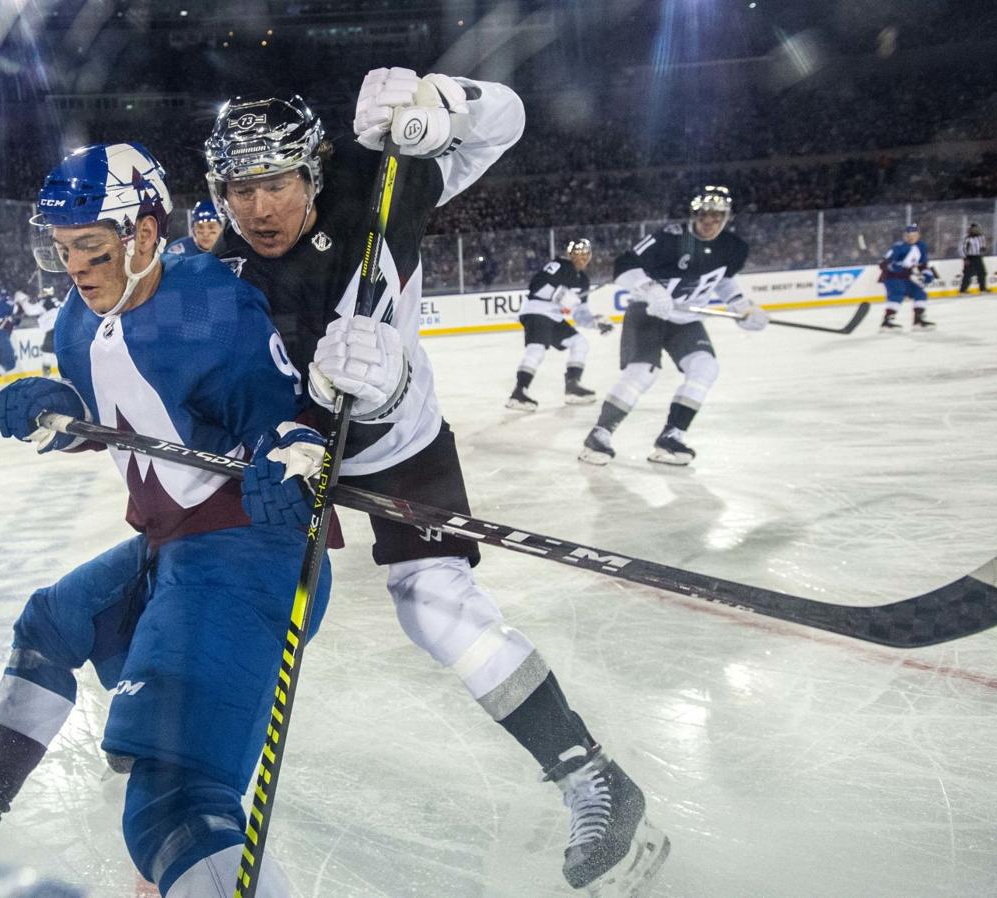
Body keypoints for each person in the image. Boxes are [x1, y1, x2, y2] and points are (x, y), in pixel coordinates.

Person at [205, 76, 668, 895]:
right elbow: (215, 394)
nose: (258, 209)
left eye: (275, 182)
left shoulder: (380, 176)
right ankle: (176, 759)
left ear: (315, 169)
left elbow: (508, 123)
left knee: (434, 603)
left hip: (404, 439)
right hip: (292, 456)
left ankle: (593, 776)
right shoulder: (219, 280)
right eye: (239, 190)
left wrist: (443, 101)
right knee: (222, 595)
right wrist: (284, 443)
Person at [0, 142, 332, 898]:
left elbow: (288, 420)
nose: (76, 267)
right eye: (64, 249)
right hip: (176, 547)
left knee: (173, 806)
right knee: (52, 623)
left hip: (253, 551)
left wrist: (293, 452)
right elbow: (129, 423)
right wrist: (61, 411)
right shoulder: (77, 321)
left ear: (145, 234)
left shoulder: (213, 302)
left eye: (93, 248)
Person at [579, 186, 766, 467]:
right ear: (694, 214)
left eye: (717, 217)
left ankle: (671, 436)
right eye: (704, 215)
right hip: (649, 310)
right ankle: (600, 435)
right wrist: (651, 289)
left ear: (727, 218)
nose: (710, 223)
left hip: (686, 319)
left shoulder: (733, 247)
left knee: (705, 367)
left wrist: (741, 305)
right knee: (643, 373)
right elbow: (625, 265)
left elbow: (723, 279)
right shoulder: (671, 238)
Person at [506, 238, 613, 412]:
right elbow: (536, 285)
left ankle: (572, 387)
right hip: (537, 311)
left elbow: (580, 314)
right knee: (537, 349)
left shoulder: (583, 280)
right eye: (578, 254)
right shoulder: (558, 266)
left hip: (554, 317)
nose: (582, 258)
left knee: (580, 343)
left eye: (586, 254)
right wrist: (560, 295)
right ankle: (518, 393)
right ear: (570, 255)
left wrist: (596, 323)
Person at [878, 224, 936, 332]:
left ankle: (918, 321)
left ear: (918, 235)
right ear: (904, 236)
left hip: (905, 278)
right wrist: (893, 266)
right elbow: (883, 264)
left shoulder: (921, 247)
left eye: (914, 235)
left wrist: (927, 273)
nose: (911, 237)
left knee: (920, 293)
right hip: (891, 277)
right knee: (897, 294)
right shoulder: (898, 247)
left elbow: (922, 264)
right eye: (909, 235)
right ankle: (886, 323)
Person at [17, 284, 62, 375]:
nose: (40, 293)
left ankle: (46, 377)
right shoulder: (56, 300)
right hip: (63, 329)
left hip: (53, 330)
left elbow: (30, 311)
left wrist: (23, 300)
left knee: (47, 352)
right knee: (61, 354)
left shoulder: (45, 301)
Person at [960, 222, 989, 294]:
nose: (976, 230)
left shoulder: (981, 236)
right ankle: (963, 290)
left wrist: (983, 248)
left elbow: (983, 245)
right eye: (974, 229)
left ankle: (982, 289)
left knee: (982, 272)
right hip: (970, 257)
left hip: (978, 256)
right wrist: (965, 258)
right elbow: (962, 248)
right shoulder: (966, 238)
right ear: (970, 229)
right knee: (968, 274)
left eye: (977, 229)